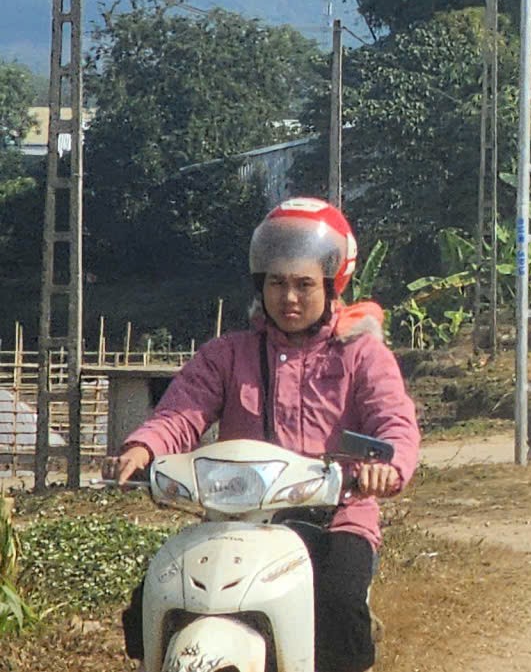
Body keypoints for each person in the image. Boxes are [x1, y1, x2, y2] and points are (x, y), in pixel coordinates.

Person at [110, 198, 419, 672]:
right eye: (277, 283)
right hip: (237, 521)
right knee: (151, 600)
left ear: (332, 285)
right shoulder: (227, 354)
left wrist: (387, 467)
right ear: (261, 284)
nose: (289, 297)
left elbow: (394, 422)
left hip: (336, 518)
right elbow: (180, 413)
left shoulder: (362, 356)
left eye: (304, 284)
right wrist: (143, 447)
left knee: (339, 608)